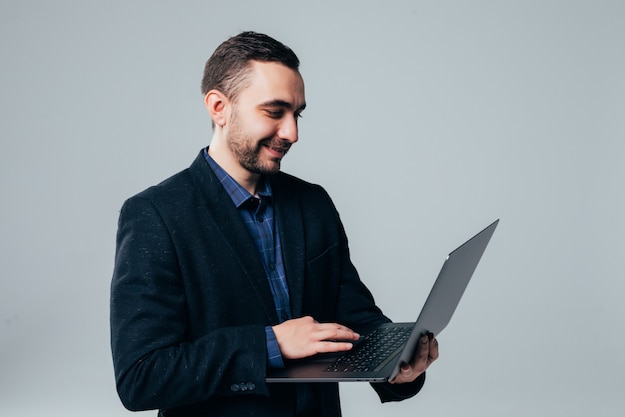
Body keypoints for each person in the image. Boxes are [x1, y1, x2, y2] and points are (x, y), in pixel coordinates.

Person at [110, 31, 438, 417]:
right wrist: (270, 344)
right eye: (274, 111)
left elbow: (355, 321)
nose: (292, 133)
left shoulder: (313, 203)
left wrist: (399, 364)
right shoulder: (155, 215)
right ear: (219, 107)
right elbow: (141, 377)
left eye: (296, 114)